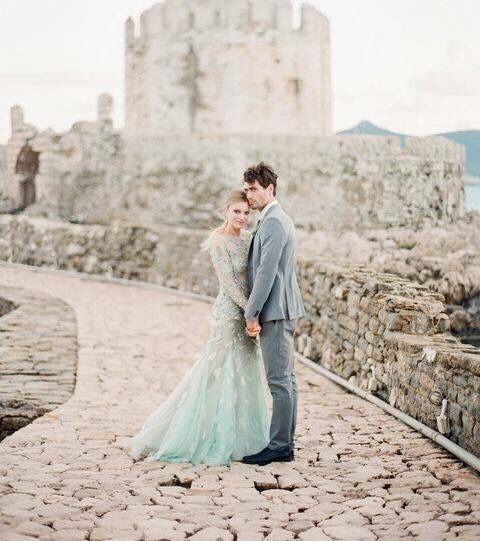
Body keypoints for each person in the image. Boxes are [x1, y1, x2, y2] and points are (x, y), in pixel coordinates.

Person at [129, 190, 270, 466]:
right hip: (230, 315)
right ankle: (180, 433)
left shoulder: (249, 240)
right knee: (215, 371)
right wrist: (251, 311)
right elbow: (229, 283)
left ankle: (241, 438)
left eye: (246, 212)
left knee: (245, 371)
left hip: (246, 315)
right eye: (236, 211)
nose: (242, 217)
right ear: (226, 211)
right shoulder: (219, 242)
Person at [241, 162, 306, 466]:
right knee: (286, 381)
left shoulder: (275, 222)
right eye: (246, 189)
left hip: (276, 310)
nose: (249, 195)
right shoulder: (272, 219)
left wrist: (251, 313)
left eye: (254, 189)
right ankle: (285, 443)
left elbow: (266, 273)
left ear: (270, 189)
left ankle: (280, 446)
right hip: (282, 308)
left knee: (279, 382)